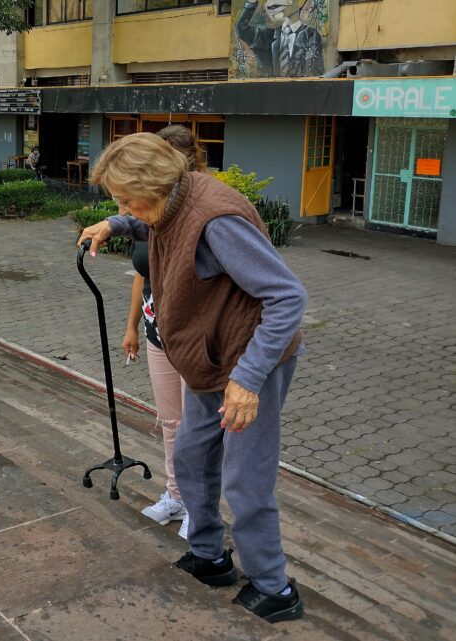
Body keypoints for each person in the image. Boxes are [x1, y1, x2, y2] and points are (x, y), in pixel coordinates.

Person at [79, 132, 307, 623]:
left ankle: (275, 589)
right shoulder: (173, 200)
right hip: (209, 359)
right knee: (190, 454)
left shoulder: (218, 221)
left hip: (251, 363)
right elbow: (154, 223)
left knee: (246, 479)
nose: (124, 207)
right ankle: (210, 557)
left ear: (153, 185)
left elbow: (287, 298)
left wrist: (247, 380)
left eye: (124, 199)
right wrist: (114, 224)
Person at [124, 125, 208, 540]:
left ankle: (200, 507)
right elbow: (143, 273)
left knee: (198, 427)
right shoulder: (150, 212)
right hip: (158, 332)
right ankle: (175, 496)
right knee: (171, 422)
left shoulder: (199, 209)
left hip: (194, 339)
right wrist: (132, 327)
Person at [235, 0, 324, 77]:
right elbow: (241, 28)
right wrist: (252, 2)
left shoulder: (311, 34)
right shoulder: (268, 35)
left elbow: (315, 72)